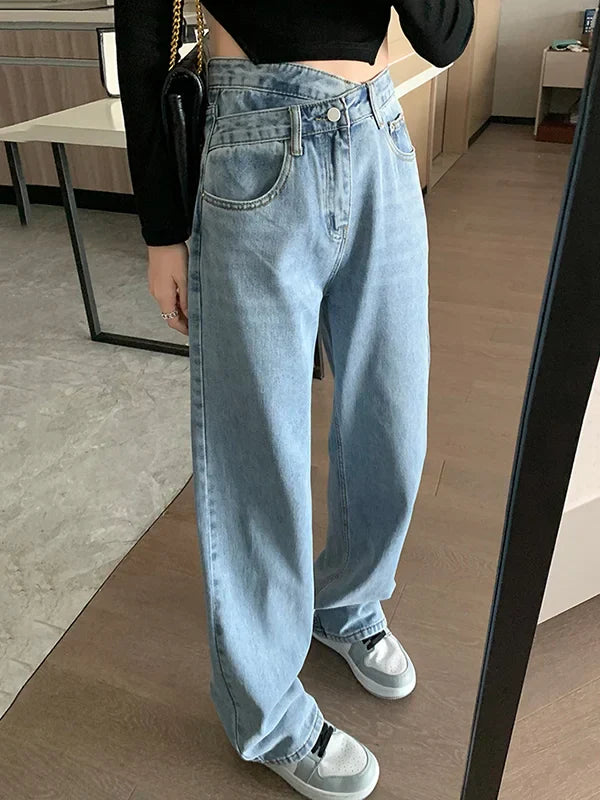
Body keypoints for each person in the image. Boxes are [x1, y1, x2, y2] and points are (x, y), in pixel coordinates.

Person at [114, 2, 475, 798]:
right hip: (254, 136)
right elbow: (143, 26)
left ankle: (346, 602)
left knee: (393, 426)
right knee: (257, 452)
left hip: (380, 131)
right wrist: (162, 227)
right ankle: (266, 708)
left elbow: (446, 34)